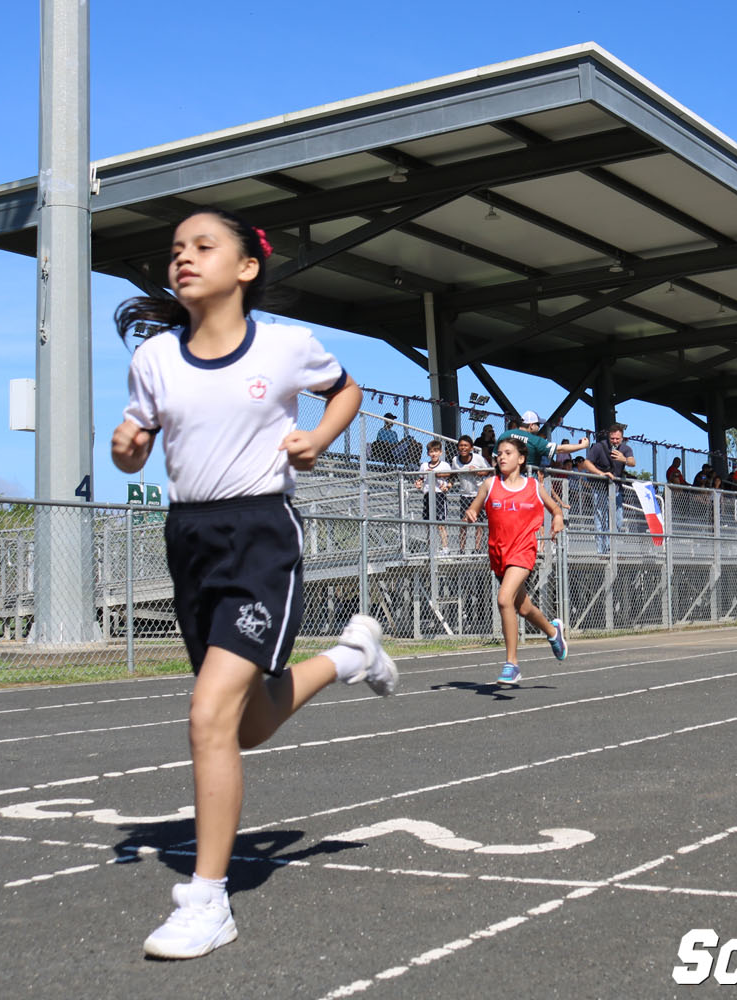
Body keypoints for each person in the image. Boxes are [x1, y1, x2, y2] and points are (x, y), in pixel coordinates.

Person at [110, 207, 398, 960]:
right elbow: (136, 447)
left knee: (209, 715)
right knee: (242, 722)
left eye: (203, 246)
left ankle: (207, 900)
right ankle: (351, 659)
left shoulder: (287, 346)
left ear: (245, 267)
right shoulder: (155, 362)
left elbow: (347, 391)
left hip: (261, 538)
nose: (184, 258)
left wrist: (319, 437)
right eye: (176, 249)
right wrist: (127, 447)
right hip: (190, 542)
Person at [464, 438, 568, 685]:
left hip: (523, 551)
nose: (501, 457)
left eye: (508, 453)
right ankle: (553, 632)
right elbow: (474, 509)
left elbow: (555, 508)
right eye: (499, 453)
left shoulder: (533, 486)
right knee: (522, 608)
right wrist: (471, 513)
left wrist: (558, 518)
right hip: (499, 554)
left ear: (521, 459)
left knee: (503, 599)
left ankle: (512, 664)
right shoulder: (489, 485)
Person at [578, 424, 635, 554]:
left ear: (622, 438)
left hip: (616, 489)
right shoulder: (599, 447)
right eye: (612, 438)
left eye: (617, 439)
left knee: (618, 519)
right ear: (609, 437)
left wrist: (623, 459)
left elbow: (632, 462)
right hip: (600, 488)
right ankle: (601, 551)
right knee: (600, 518)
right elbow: (587, 463)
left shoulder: (625, 449)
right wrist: (601, 474)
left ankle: (610, 548)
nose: (615, 441)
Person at [451, 434, 491, 553]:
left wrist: (478, 472)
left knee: (479, 522)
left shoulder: (478, 459)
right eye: (461, 446)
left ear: (471, 448)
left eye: (466, 446)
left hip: (478, 495)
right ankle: (461, 549)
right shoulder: (455, 460)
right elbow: (452, 474)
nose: (463, 448)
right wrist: (448, 484)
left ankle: (477, 548)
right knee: (464, 522)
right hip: (464, 494)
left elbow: (489, 471)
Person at [416, 439, 452, 552]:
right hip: (427, 495)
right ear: (428, 453)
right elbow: (420, 479)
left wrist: (447, 486)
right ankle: (431, 548)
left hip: (439, 495)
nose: (433, 454)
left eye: (436, 451)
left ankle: (445, 548)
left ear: (440, 452)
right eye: (431, 451)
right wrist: (418, 483)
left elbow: (451, 479)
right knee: (428, 523)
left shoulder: (445, 465)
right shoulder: (424, 465)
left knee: (440, 523)